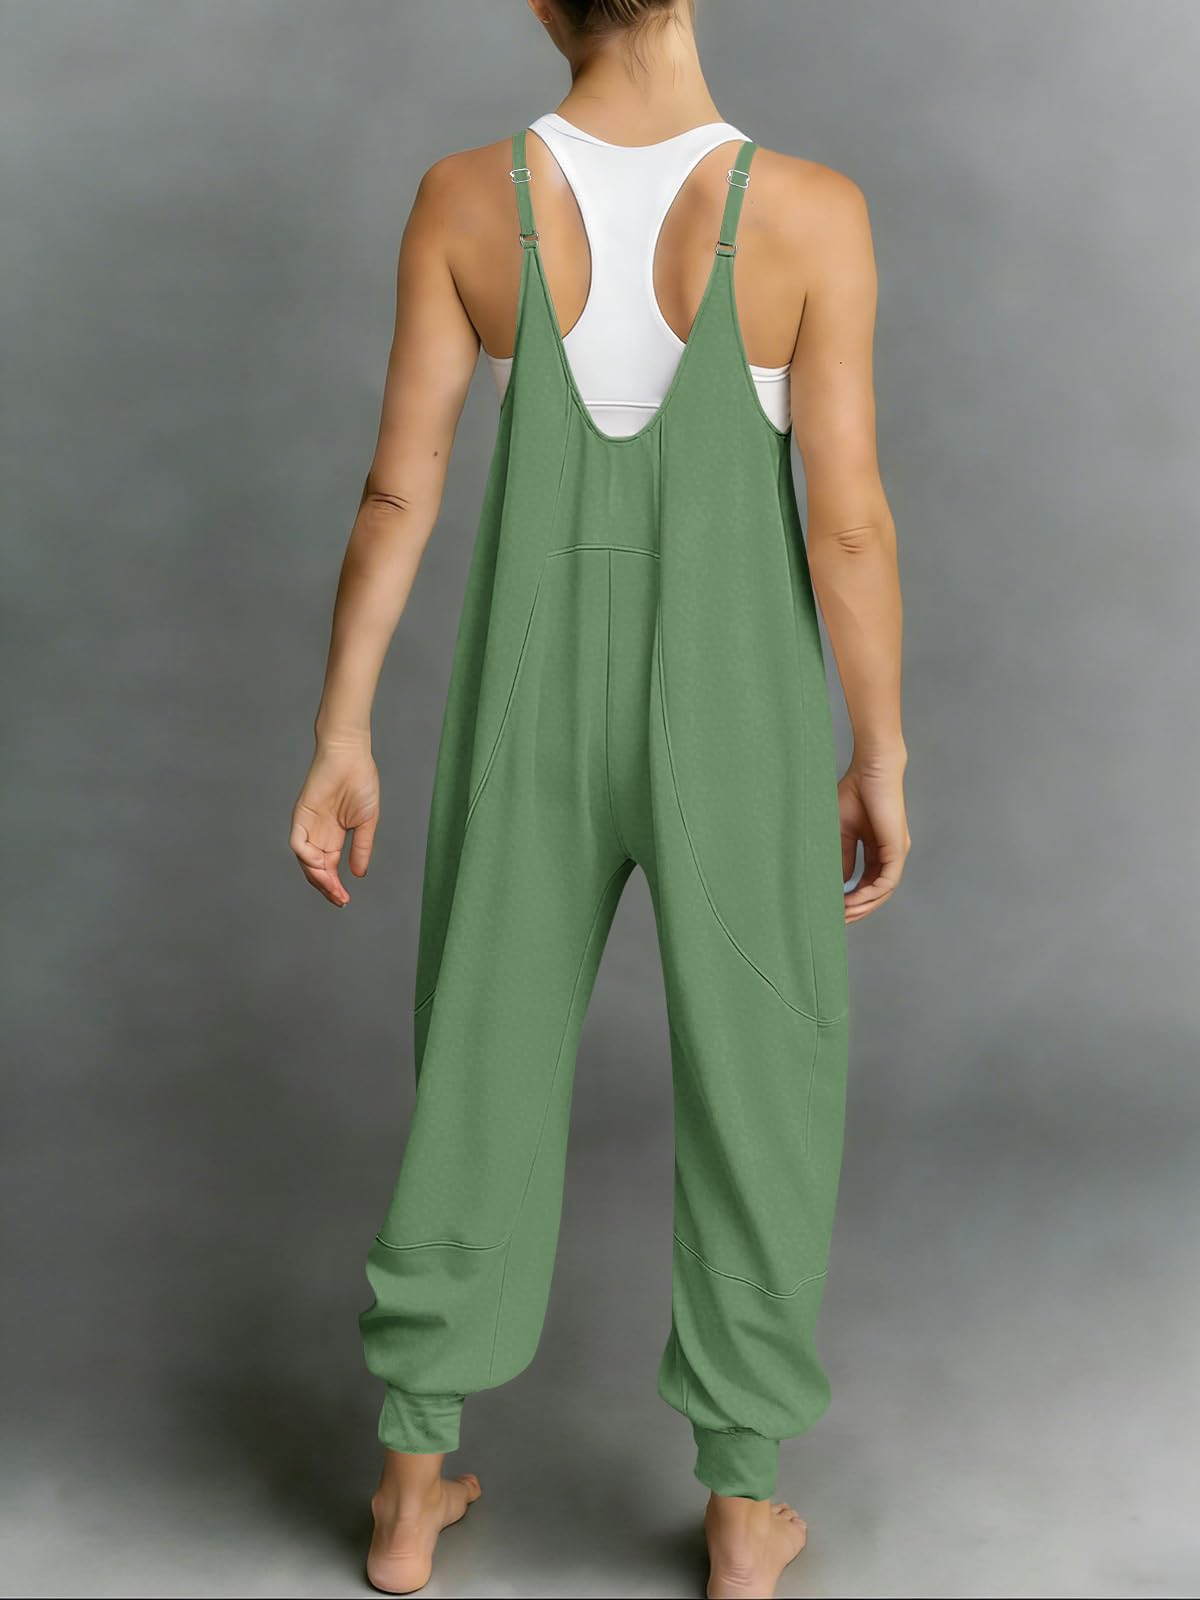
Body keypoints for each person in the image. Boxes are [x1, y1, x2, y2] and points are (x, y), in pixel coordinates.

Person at [289, 1, 909, 1594]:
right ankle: (743, 1511)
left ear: (541, 3)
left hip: (529, 698)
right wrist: (879, 753)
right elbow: (845, 523)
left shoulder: (464, 197)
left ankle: (408, 1495)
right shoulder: (809, 212)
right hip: (738, 711)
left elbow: (399, 487)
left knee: (478, 1060)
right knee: (764, 1075)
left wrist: (343, 732)